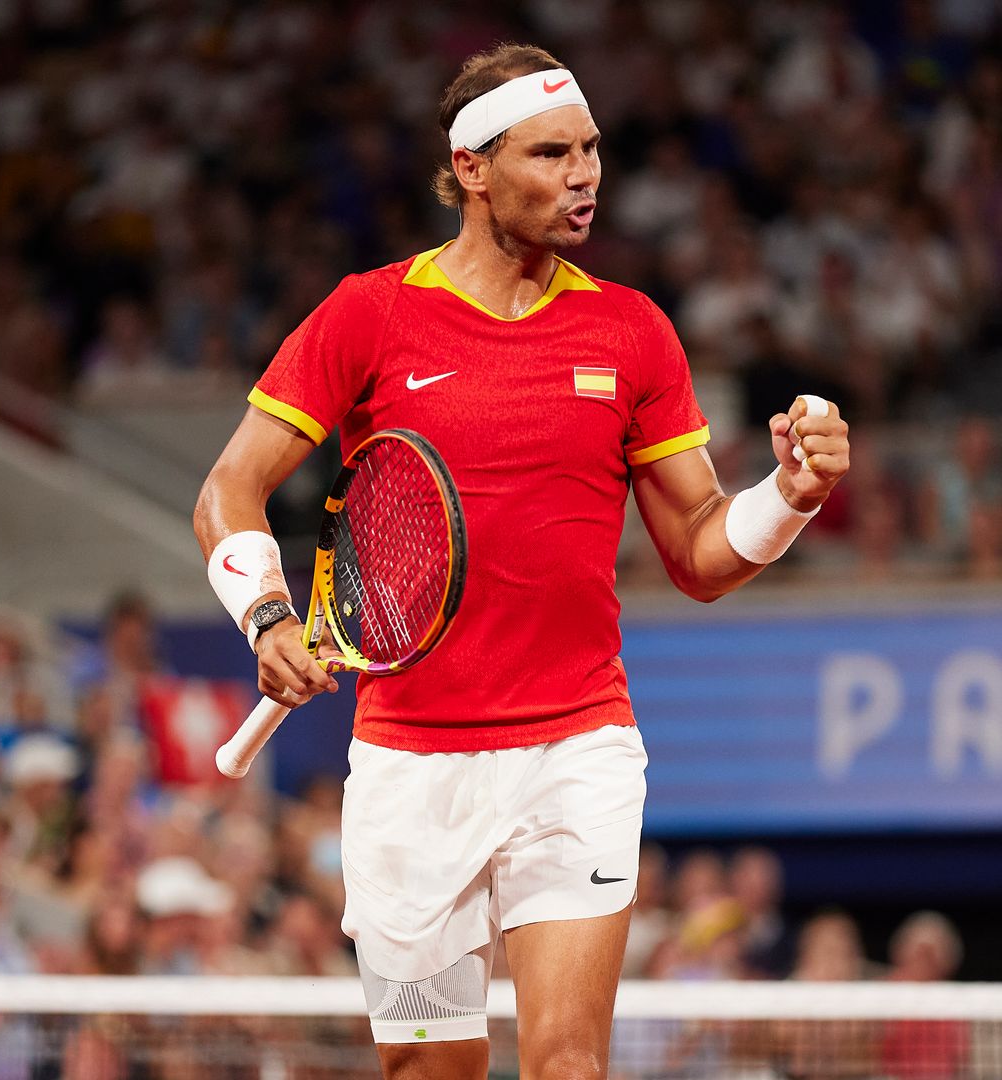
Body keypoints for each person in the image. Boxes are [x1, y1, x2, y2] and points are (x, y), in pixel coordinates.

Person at [194, 43, 851, 1080]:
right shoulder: (369, 312)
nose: (584, 175)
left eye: (590, 149)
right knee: (429, 1071)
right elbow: (227, 492)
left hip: (576, 753)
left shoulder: (632, 330)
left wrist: (791, 497)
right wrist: (268, 616)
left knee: (568, 1065)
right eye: (551, 154)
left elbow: (699, 551)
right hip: (410, 771)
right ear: (472, 169)